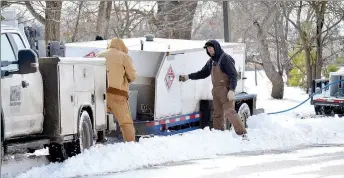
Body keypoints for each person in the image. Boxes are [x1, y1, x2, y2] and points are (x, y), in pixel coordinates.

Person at [179, 40, 247, 137]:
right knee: (217, 114)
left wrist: (232, 90)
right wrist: (188, 76)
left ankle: (242, 134)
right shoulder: (211, 61)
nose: (209, 50)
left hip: (225, 90)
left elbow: (233, 75)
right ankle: (219, 135)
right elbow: (202, 73)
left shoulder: (225, 59)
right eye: (207, 49)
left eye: (211, 48)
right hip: (216, 90)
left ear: (216, 47)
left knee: (229, 112)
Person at [96, 38, 137, 142]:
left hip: (100, 93)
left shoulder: (99, 55)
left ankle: (97, 142)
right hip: (117, 94)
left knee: (99, 120)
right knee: (125, 122)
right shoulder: (124, 57)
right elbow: (132, 76)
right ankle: (130, 144)